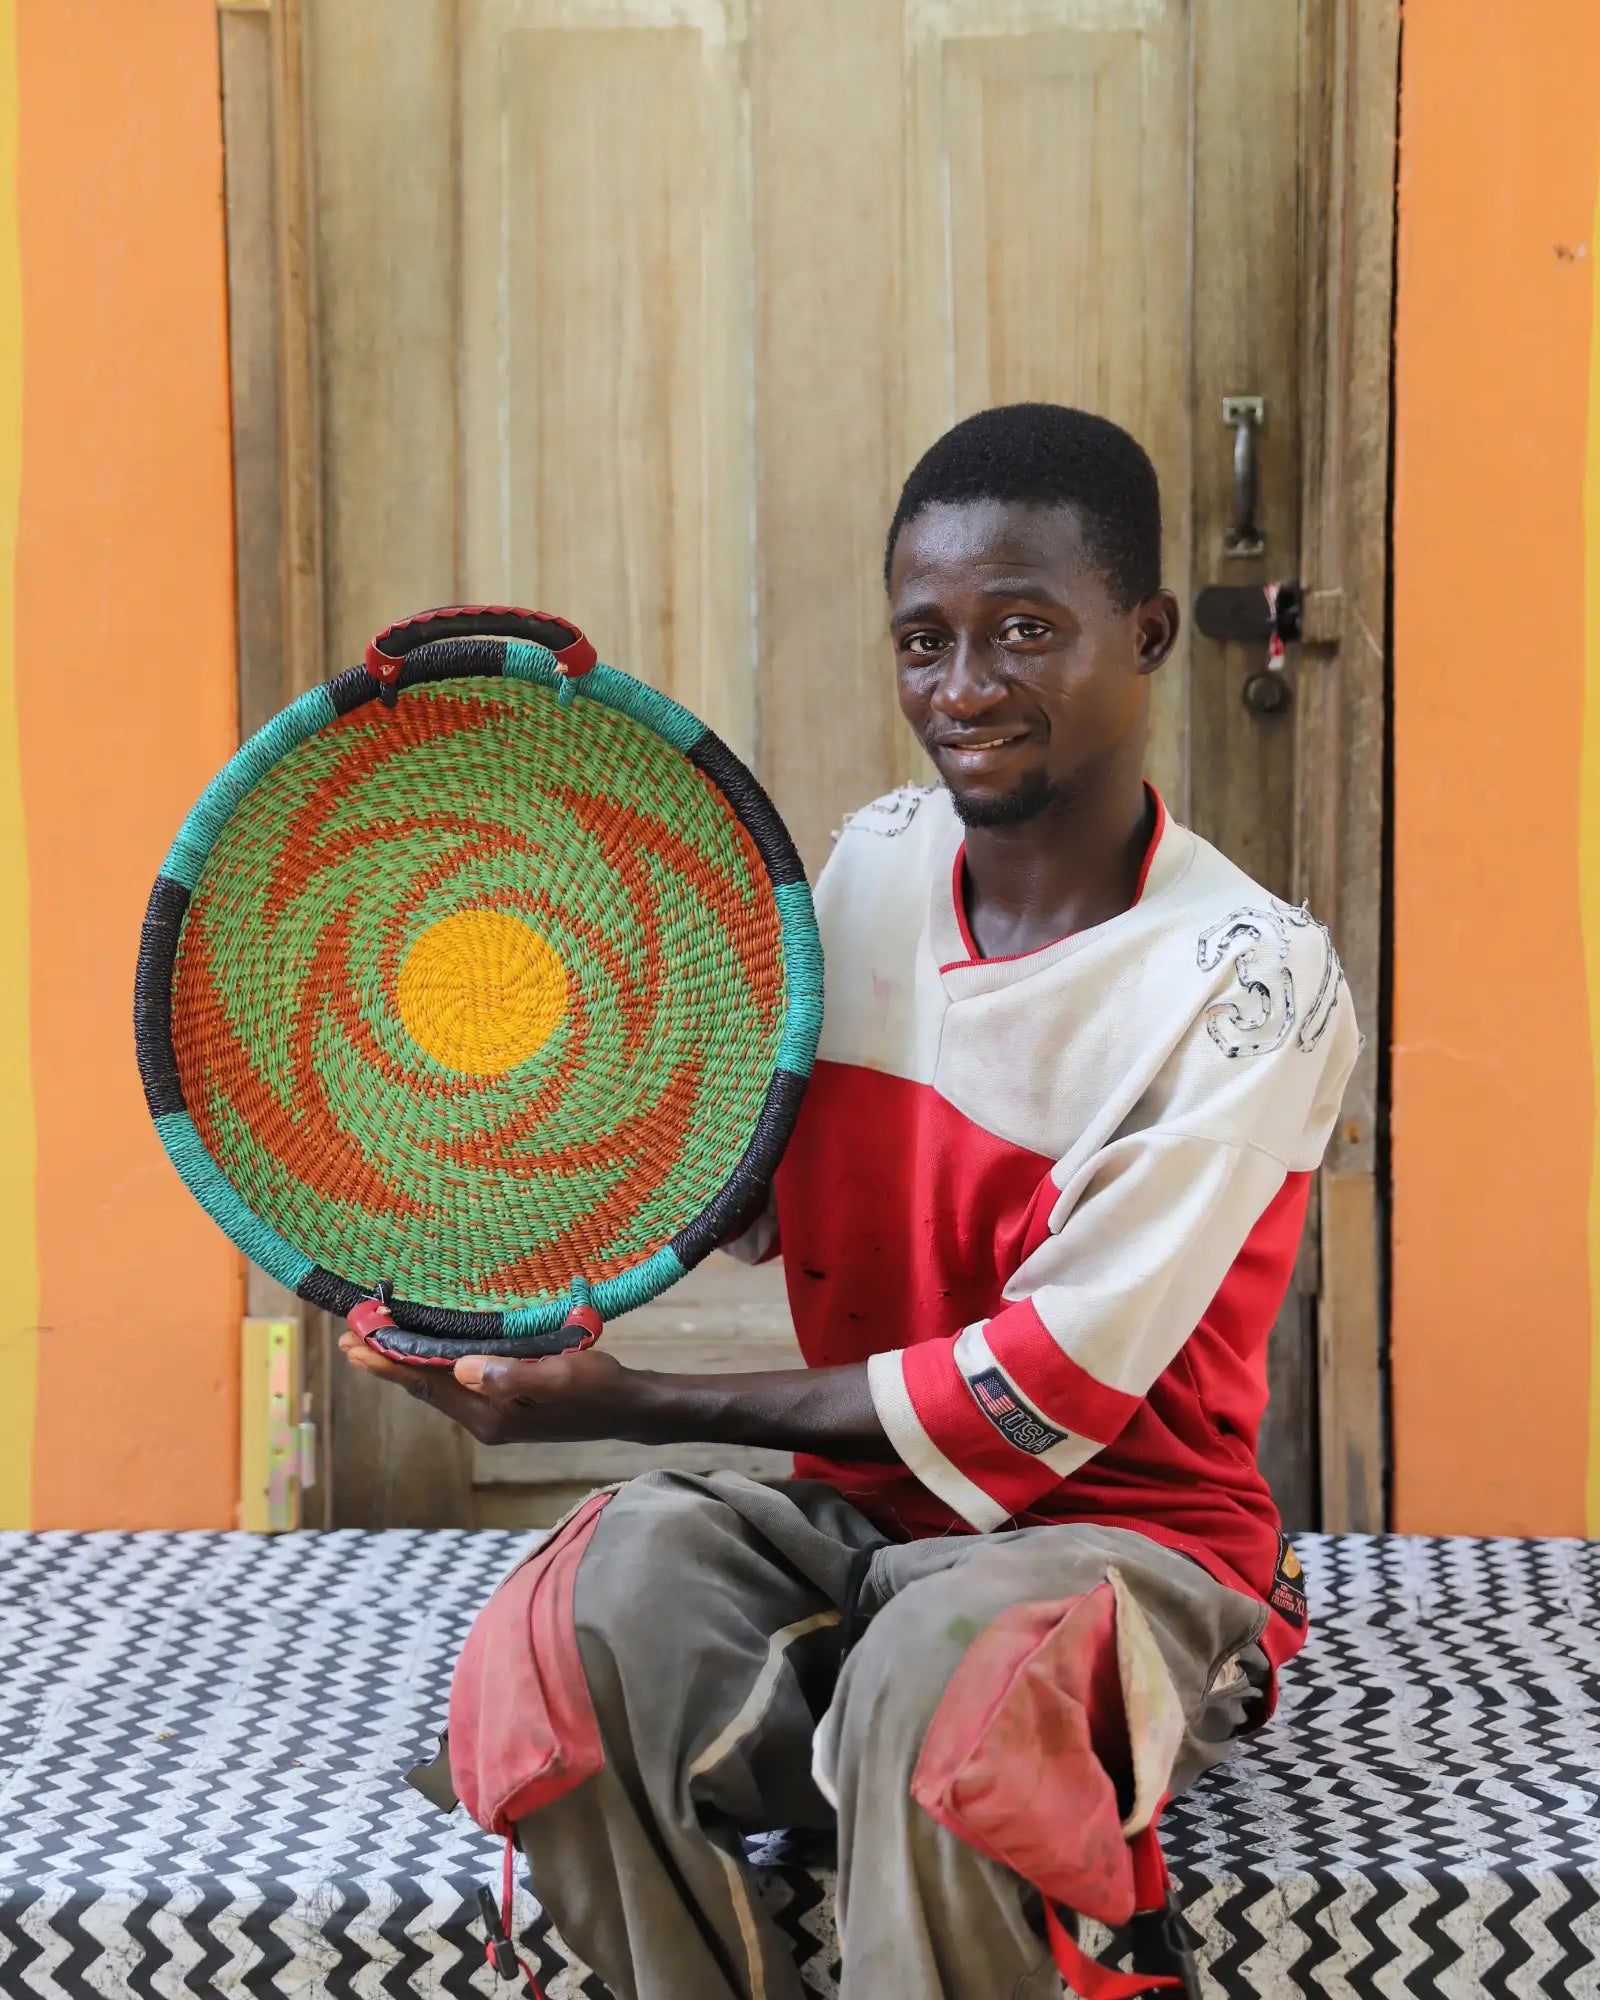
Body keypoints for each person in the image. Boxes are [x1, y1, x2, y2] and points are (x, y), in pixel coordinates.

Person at [343, 403, 1358, 2000]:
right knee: (583, 1622)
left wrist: (624, 1402)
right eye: (924, 639)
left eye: (1026, 630)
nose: (965, 689)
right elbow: (740, 1186)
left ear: (1150, 634)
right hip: (861, 1523)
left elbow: (1043, 1395)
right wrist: (479, 1285)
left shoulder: (1249, 983)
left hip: (1120, 1549)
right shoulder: (876, 865)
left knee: (943, 1689)